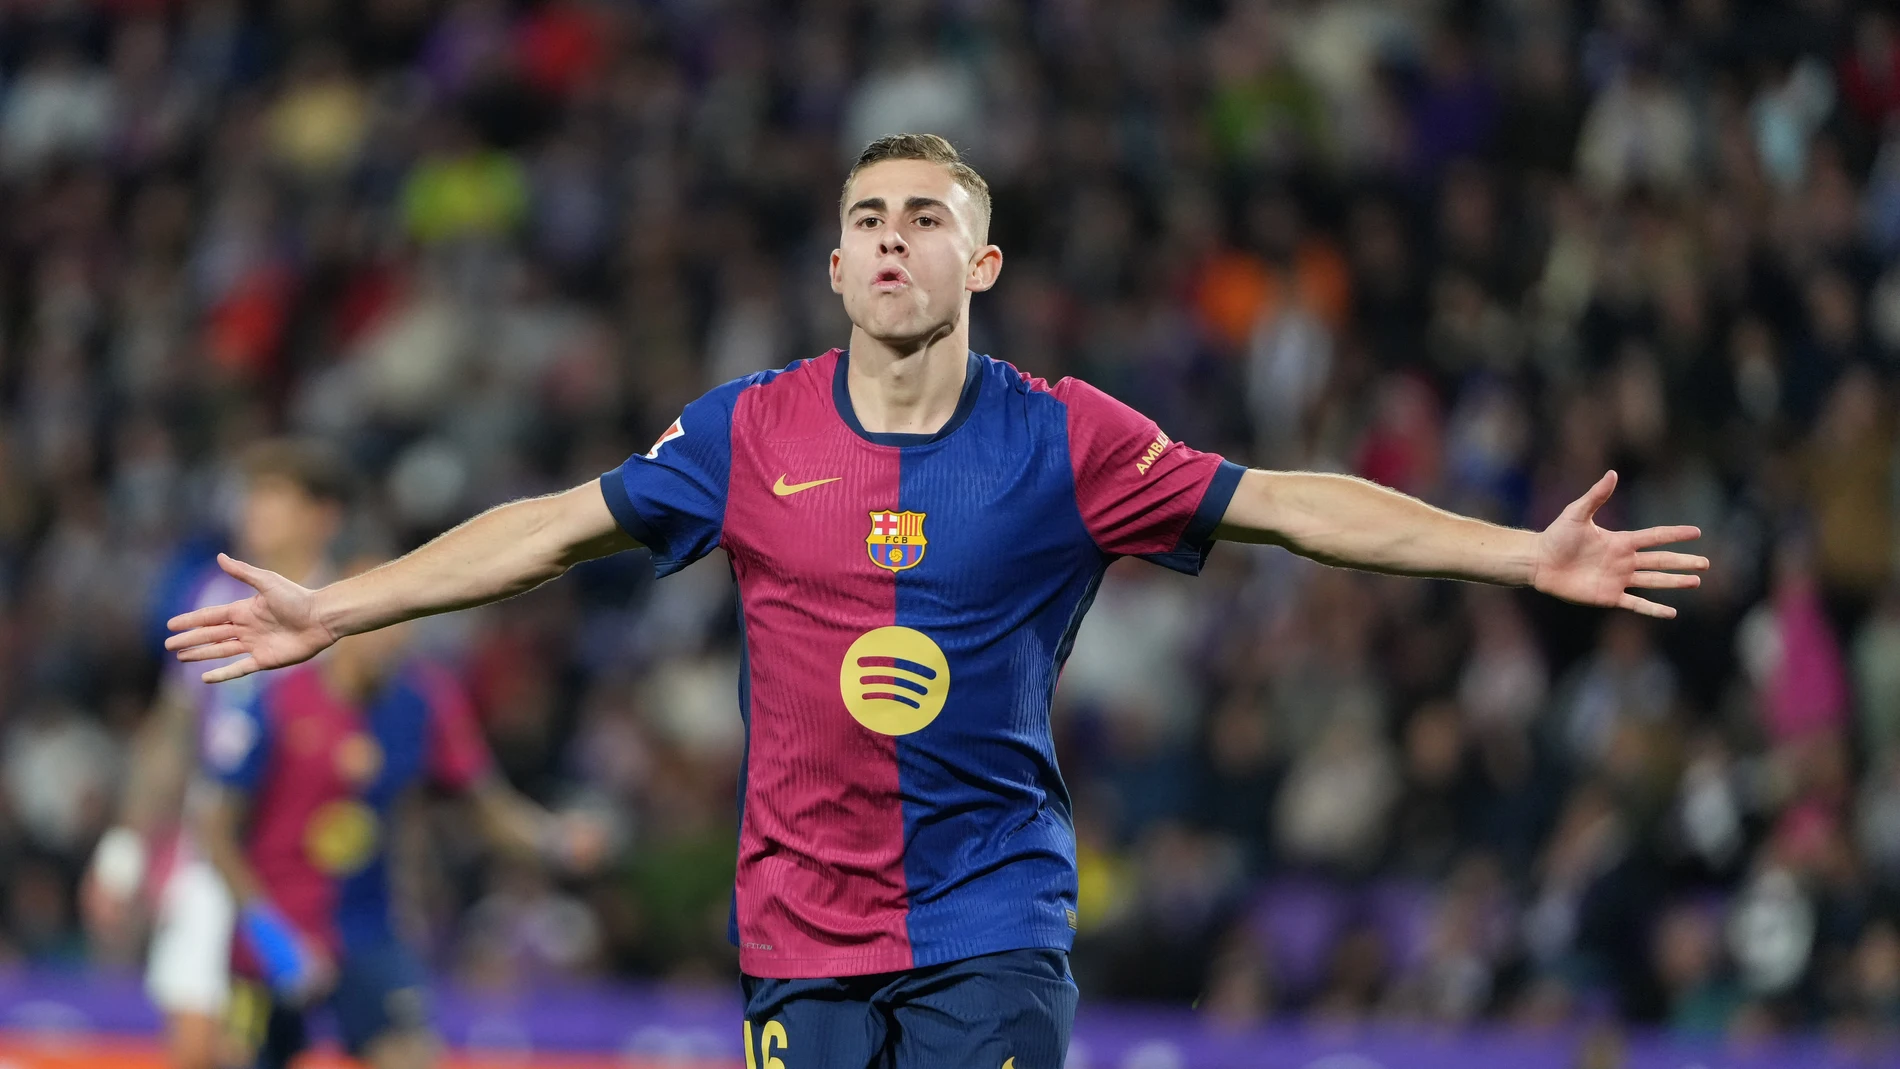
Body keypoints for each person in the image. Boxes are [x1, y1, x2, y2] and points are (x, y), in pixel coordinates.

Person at [167, 134, 1709, 1069]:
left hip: (990, 910)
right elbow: (547, 530)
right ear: (836, 267)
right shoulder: (747, 431)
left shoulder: (1069, 438)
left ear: (982, 261)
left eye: (924, 217)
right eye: (869, 220)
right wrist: (339, 609)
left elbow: (1295, 506)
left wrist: (1518, 550)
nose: (893, 237)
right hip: (796, 919)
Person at [193, 565, 606, 1069]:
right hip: (271, 938)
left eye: (397, 617)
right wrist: (271, 937)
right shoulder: (277, 701)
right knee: (236, 1057)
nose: (388, 634)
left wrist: (554, 841)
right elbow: (215, 828)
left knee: (413, 1057)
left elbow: (484, 806)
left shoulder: (422, 703)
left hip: (368, 932)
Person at [84, 440, 349, 1069]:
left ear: (321, 515)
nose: (252, 510)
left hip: (309, 864)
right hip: (214, 849)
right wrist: (126, 846)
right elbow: (174, 729)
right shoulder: (213, 593)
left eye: (273, 496)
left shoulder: (354, 607)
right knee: (197, 1042)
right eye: (251, 494)